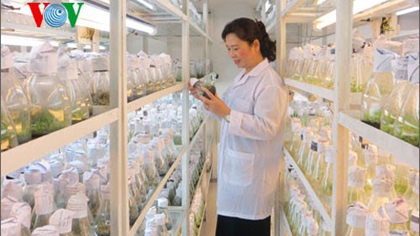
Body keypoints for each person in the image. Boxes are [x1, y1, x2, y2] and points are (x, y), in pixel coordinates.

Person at [189, 17, 288, 236]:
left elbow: (267, 127)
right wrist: (209, 102)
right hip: (235, 179)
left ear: (255, 44)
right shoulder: (244, 75)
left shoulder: (269, 83)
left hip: (251, 186)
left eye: (236, 48)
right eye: (228, 49)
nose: (232, 54)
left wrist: (226, 112)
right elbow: (227, 115)